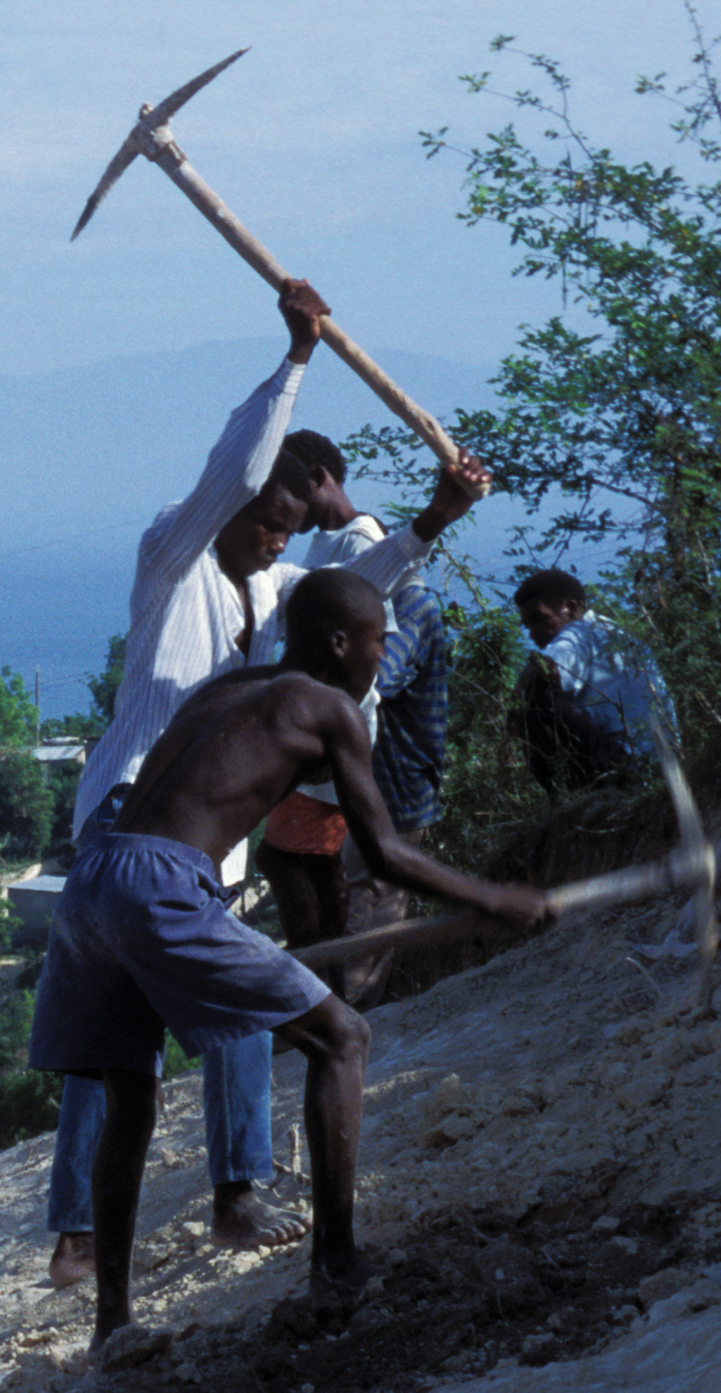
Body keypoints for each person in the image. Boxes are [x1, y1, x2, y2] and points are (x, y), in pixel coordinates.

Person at [46, 281, 486, 1290]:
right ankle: (114, 1221)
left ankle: (216, 1199)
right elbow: (225, 478)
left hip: (203, 847)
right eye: (266, 522)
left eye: (289, 530)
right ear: (235, 511)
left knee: (176, 1019)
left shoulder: (274, 587)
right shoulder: (174, 558)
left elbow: (356, 588)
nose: (276, 539)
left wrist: (435, 515)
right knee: (126, 1045)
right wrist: (294, 363)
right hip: (128, 821)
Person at [33, 572, 550, 1356]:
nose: (383, 658)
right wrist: (492, 895)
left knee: (129, 1097)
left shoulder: (233, 686)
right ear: (341, 643)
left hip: (94, 875)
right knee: (342, 1036)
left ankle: (113, 1324)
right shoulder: (332, 709)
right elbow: (383, 850)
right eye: (380, 641)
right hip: (165, 883)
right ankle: (338, 1262)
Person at [266, 434, 458, 1005]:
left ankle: (343, 1021)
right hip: (359, 778)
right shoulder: (335, 551)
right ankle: (328, 1017)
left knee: (365, 911)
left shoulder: (402, 594)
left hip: (392, 783)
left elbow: (378, 676)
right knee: (337, 894)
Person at [513, 570, 678, 790]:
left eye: (540, 620)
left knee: (537, 697)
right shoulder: (618, 633)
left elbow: (545, 668)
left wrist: (514, 699)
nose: (533, 634)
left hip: (625, 767)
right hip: (663, 768)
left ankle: (561, 799)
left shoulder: (576, 633)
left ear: (570, 609)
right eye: (528, 625)